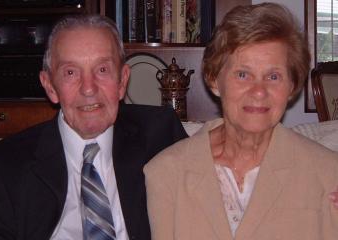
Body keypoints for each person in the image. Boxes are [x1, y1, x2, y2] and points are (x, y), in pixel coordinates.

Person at [144, 3, 338, 240]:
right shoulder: (166, 173)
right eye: (243, 74)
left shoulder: (328, 173)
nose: (259, 91)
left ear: (292, 87)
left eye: (273, 76)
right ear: (214, 79)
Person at [0, 15, 187, 240]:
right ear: (50, 87)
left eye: (102, 70)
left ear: (122, 81)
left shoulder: (160, 137)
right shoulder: (4, 168)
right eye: (71, 72)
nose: (89, 88)